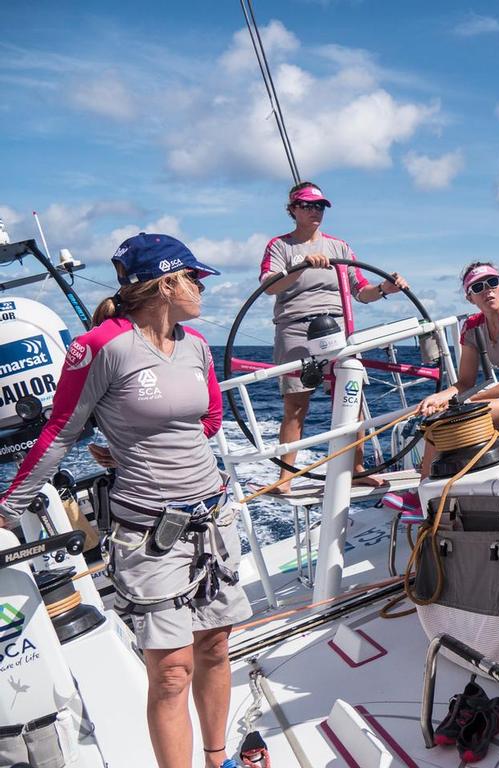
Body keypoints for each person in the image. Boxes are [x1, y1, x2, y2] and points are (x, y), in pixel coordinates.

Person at [0, 233, 250, 768]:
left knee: (214, 649)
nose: (202, 287)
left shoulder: (197, 345)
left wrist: (128, 445)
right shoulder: (102, 347)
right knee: (172, 671)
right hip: (151, 535)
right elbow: (59, 432)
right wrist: (7, 510)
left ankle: (218, 758)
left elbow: (207, 421)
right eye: (194, 277)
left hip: (212, 518)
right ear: (166, 283)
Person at [381, 262, 499, 515]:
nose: (487, 290)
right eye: (478, 287)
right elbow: (464, 383)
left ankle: (429, 497)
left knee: (463, 418)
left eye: (492, 283)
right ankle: (424, 493)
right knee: (437, 421)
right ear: (470, 298)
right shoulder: (471, 327)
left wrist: (460, 404)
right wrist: (440, 397)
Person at [261, 181, 408, 493]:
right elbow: (270, 285)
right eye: (306, 205)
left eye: (319, 206)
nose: (314, 211)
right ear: (292, 210)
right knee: (296, 404)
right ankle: (286, 477)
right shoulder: (280, 247)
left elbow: (361, 291)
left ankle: (355, 468)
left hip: (336, 330)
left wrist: (385, 289)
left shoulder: (340, 247)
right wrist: (300, 267)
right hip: (295, 327)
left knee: (351, 398)